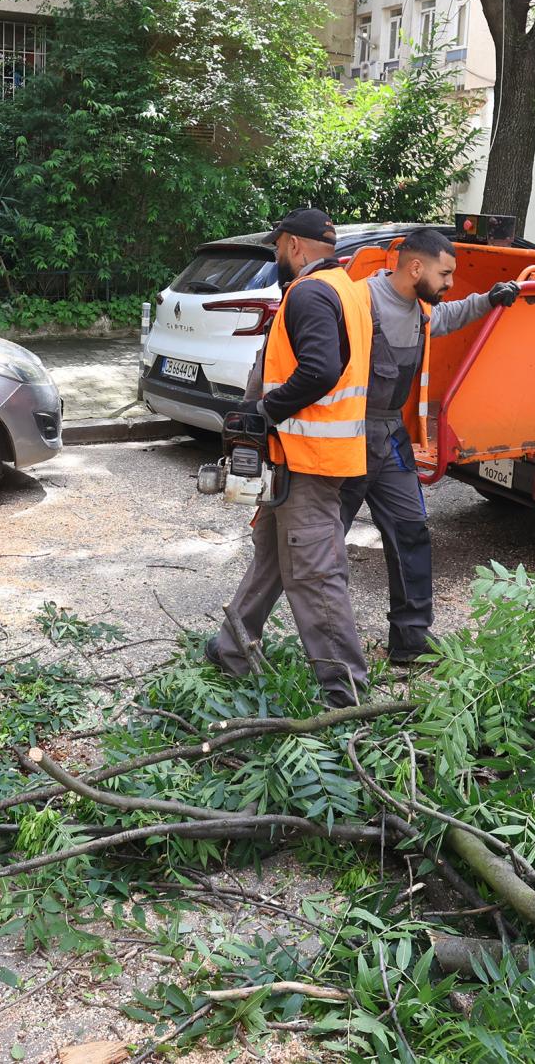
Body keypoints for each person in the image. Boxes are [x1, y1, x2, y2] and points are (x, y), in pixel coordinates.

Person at [206, 207, 377, 709]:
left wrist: (264, 410)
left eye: (279, 247)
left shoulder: (309, 293)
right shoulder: (349, 288)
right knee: (273, 552)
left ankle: (343, 694)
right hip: (310, 454)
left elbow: (322, 368)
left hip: (310, 457)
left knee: (313, 571)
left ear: (295, 245)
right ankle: (233, 647)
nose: (277, 256)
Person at [340, 228, 520, 666]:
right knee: (318, 544)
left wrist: (491, 299)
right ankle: (293, 644)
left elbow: (452, 315)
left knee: (411, 532)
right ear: (416, 267)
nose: (450, 283)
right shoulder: (360, 302)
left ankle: (410, 641)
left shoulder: (420, 310)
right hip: (346, 441)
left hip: (389, 440)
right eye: (445, 273)